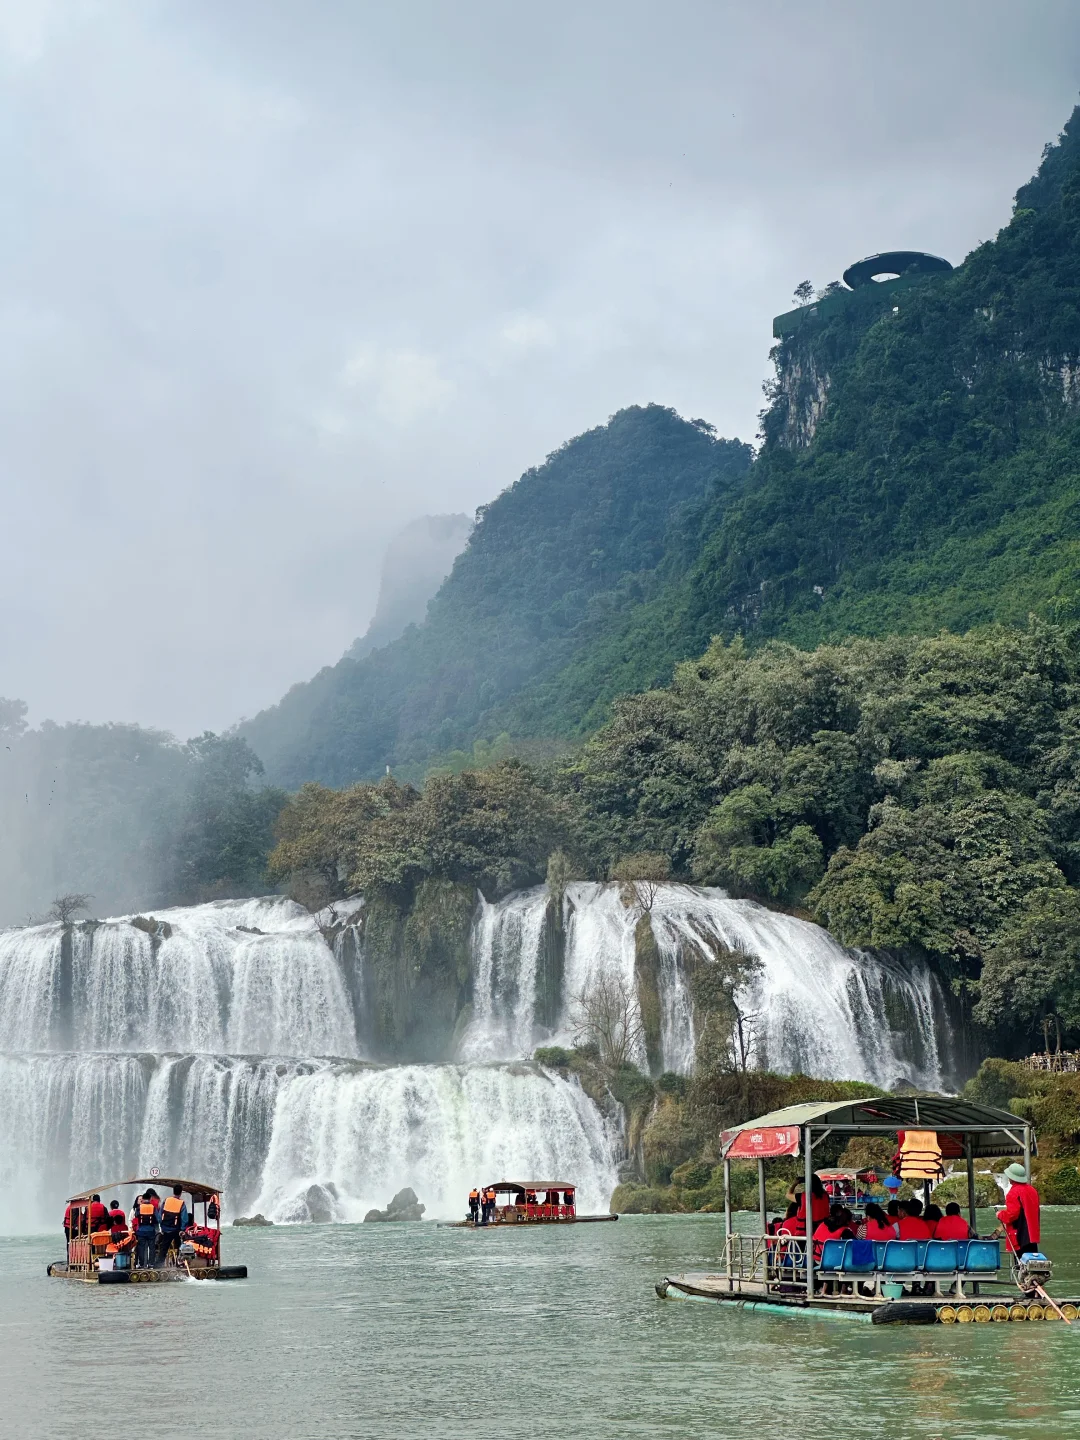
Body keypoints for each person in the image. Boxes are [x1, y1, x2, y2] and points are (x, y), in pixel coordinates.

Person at [994, 1163, 1041, 1257]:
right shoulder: (1032, 1190)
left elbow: (1011, 1215)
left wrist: (1000, 1214)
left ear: (1012, 1178)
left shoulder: (1013, 1193)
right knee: (1032, 1260)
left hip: (1019, 1236)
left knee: (1020, 1262)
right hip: (1032, 1235)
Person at [158, 1185, 188, 1263]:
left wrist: (161, 1226)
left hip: (166, 1229)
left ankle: (159, 1265)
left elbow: (160, 1214)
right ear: (181, 1193)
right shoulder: (181, 1203)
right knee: (179, 1246)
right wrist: (182, 1229)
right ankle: (179, 1263)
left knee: (164, 1248)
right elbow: (184, 1218)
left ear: (173, 1191)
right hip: (176, 1229)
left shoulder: (166, 1200)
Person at [134, 1188, 161, 1268]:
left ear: (143, 1199)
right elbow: (158, 1219)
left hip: (141, 1231)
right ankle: (151, 1264)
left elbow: (136, 1216)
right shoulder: (153, 1208)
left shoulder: (139, 1208)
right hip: (151, 1230)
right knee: (152, 1248)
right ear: (150, 1199)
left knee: (141, 1248)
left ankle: (142, 1264)